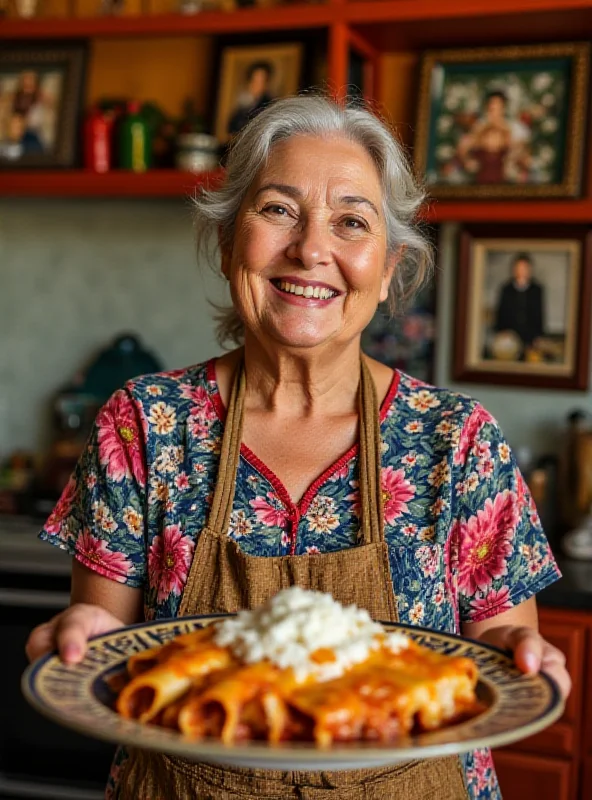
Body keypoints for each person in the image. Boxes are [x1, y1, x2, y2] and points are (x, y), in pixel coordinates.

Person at [26, 95, 569, 800]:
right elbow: (108, 653)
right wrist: (87, 644)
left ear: (391, 266)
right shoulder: (144, 423)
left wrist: (512, 655)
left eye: (351, 221)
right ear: (227, 243)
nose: (312, 248)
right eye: (278, 209)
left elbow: (497, 649)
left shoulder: (457, 440)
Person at [456, 90, 530, 184]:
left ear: (503, 107)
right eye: (491, 106)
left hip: (506, 175)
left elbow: (523, 151)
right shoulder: (479, 126)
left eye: (498, 106)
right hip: (483, 173)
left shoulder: (514, 127)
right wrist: (467, 161)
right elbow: (463, 147)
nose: (494, 109)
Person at [495, 252, 545, 352]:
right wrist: (501, 332)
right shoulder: (506, 289)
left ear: (530, 269)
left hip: (530, 336)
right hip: (509, 337)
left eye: (524, 268)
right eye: (519, 267)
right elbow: (501, 312)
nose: (521, 271)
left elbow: (539, 313)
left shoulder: (536, 290)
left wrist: (538, 335)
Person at [227, 60, 274, 136]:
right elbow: (232, 126)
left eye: (260, 81)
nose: (256, 85)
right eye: (254, 80)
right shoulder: (244, 102)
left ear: (266, 83)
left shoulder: (269, 104)